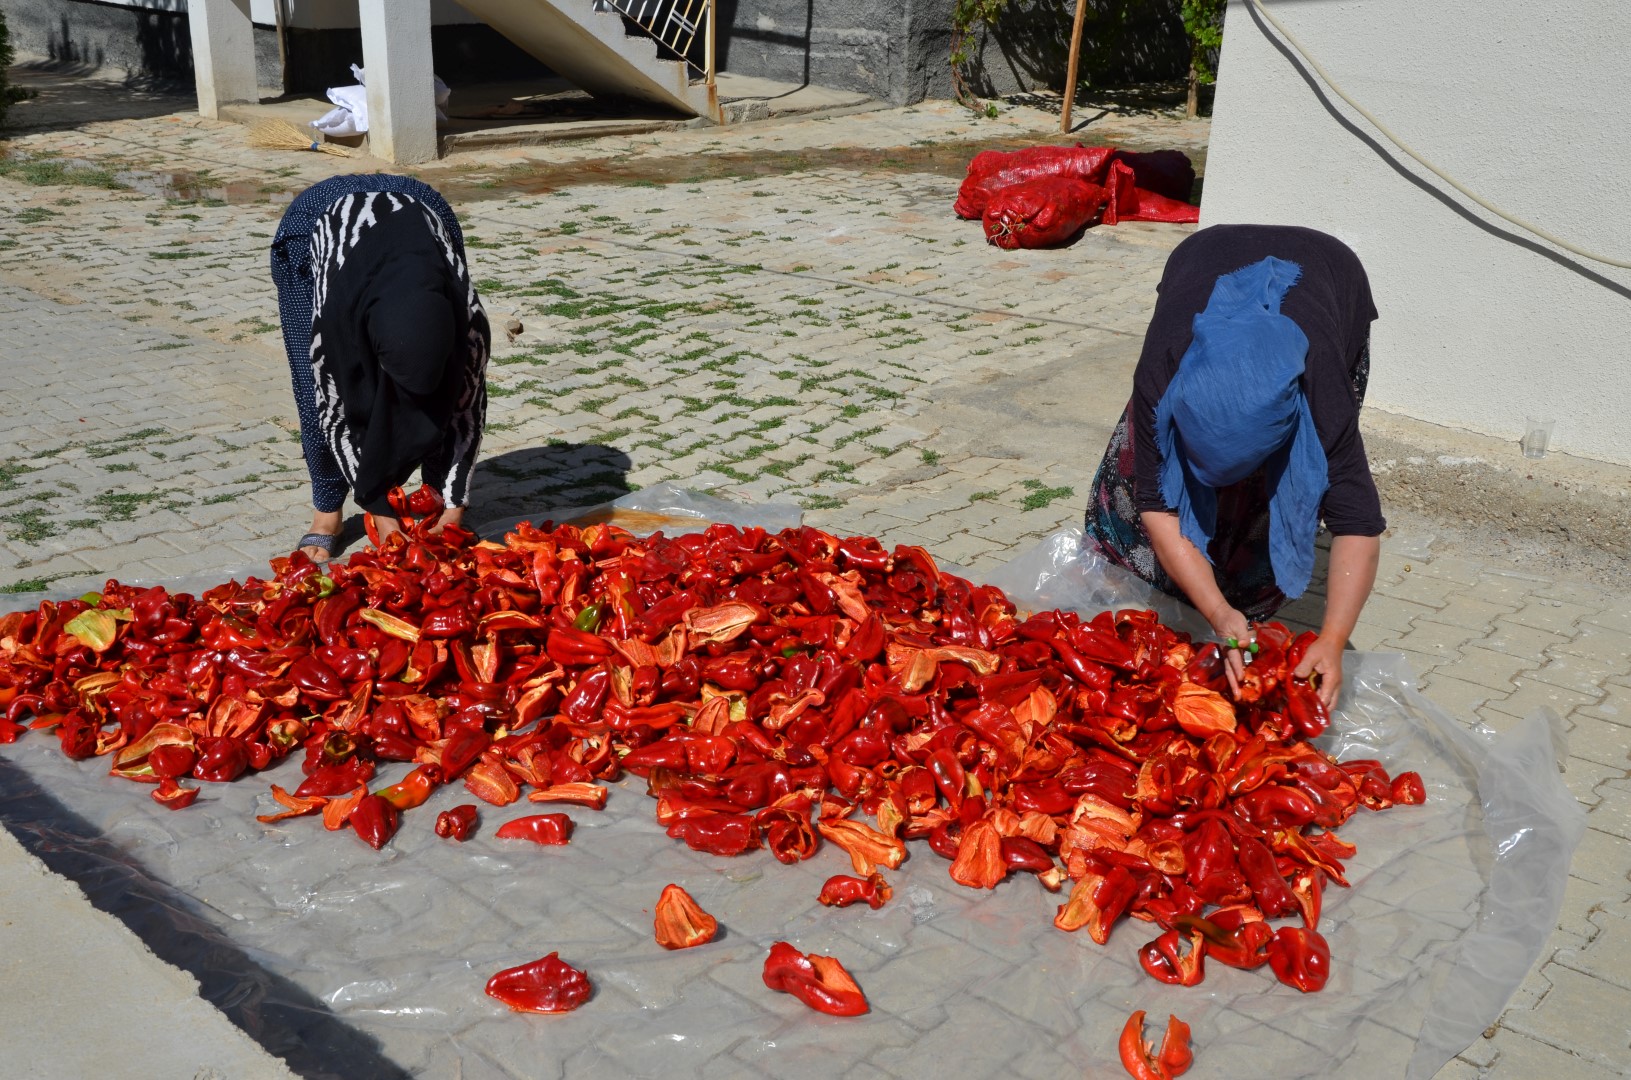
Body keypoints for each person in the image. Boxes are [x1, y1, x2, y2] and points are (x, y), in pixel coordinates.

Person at [1084, 224, 1383, 707]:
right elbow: (1157, 503)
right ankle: (1190, 579)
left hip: (1330, 271)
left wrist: (1332, 639)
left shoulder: (1322, 388)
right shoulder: (1165, 365)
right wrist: (1219, 614)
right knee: (1138, 470)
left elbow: (1358, 523)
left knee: (1273, 502)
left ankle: (1242, 580)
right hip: (1203, 254)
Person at [270, 174, 490, 562]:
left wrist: (457, 506)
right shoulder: (332, 326)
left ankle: (436, 504)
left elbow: (467, 411)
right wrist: (379, 514)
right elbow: (334, 413)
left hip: (420, 205)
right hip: (316, 224)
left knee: (449, 390)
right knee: (311, 385)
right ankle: (327, 516)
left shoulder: (468, 326)